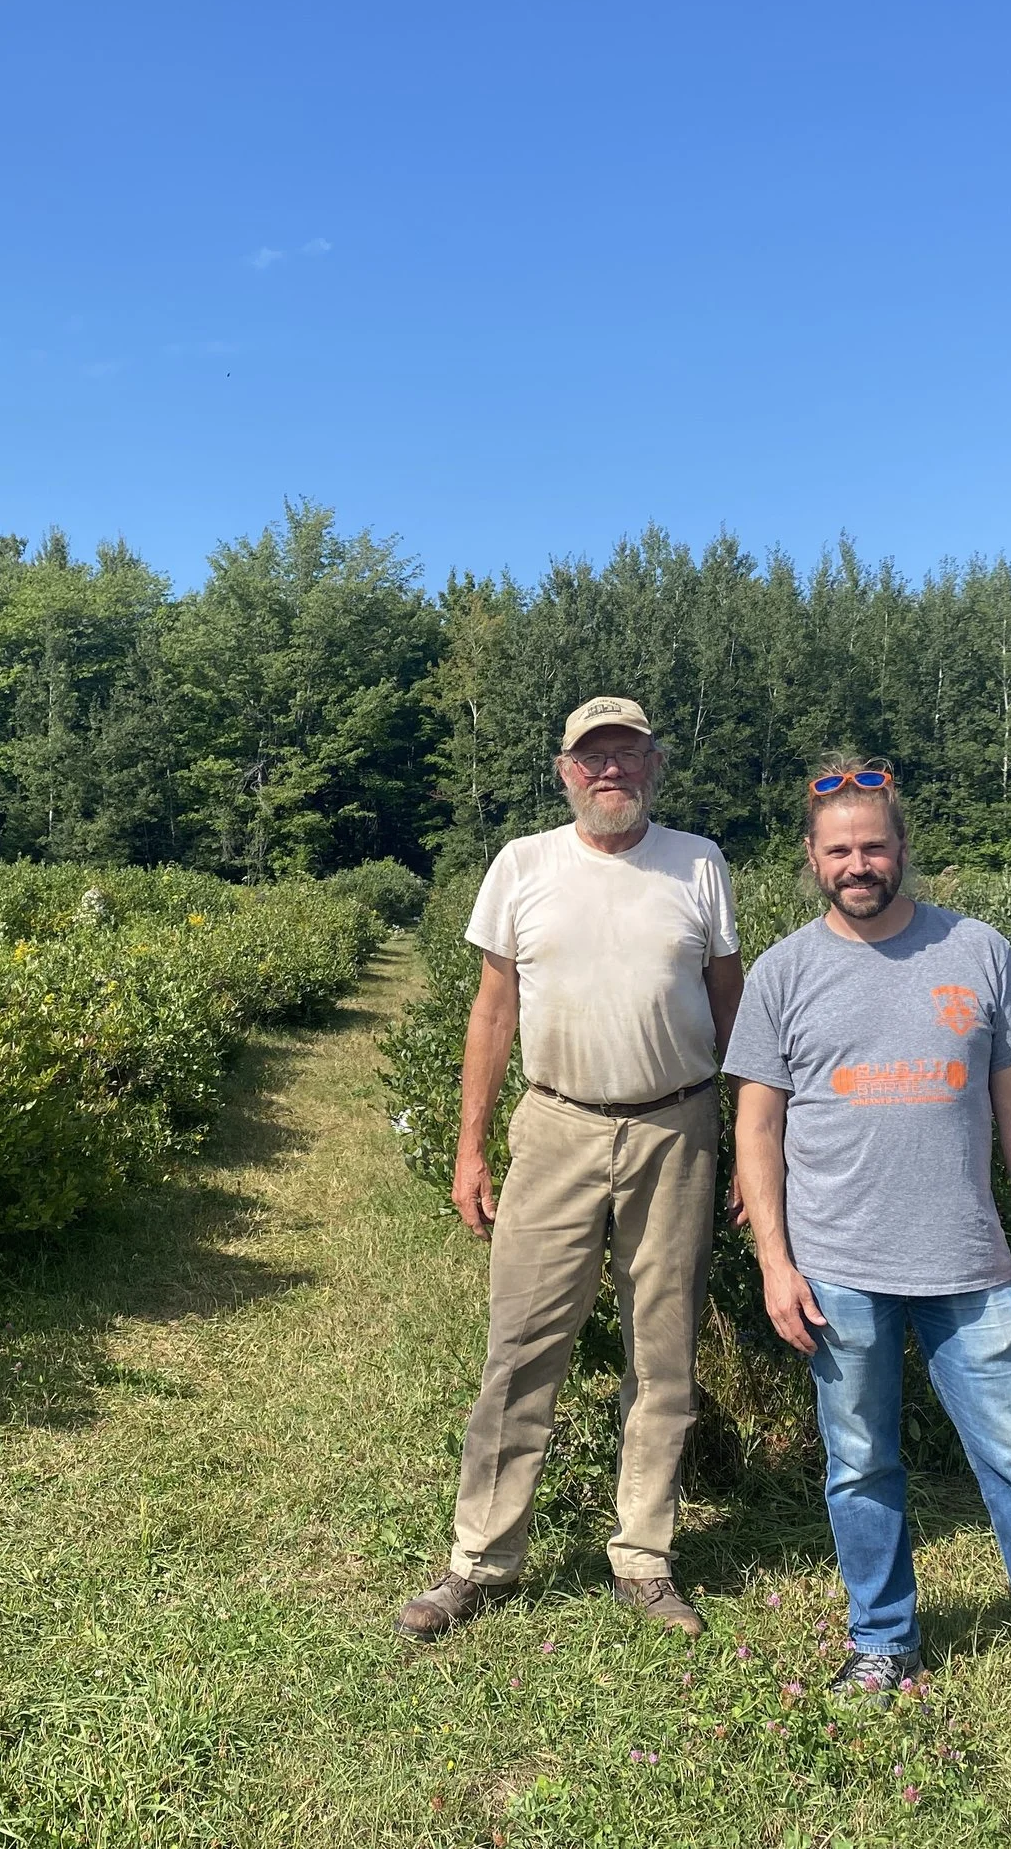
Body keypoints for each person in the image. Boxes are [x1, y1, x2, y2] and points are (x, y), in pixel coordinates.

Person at [724, 758, 1011, 1745]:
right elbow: (755, 1128)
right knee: (858, 1465)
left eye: (874, 845)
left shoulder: (978, 952)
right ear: (811, 859)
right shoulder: (780, 972)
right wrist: (774, 1260)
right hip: (837, 1268)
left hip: (970, 1267)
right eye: (838, 849)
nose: (859, 863)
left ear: (902, 850)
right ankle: (882, 1643)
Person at [395, 697, 745, 1642]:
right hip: (554, 1126)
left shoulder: (699, 862)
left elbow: (732, 1010)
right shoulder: (523, 864)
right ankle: (481, 1558)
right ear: (564, 771)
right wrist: (471, 1145)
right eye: (593, 756)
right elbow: (492, 1013)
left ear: (655, 764)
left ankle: (644, 1554)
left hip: (678, 1126)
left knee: (661, 1350)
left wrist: (752, 1142)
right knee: (521, 1345)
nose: (610, 771)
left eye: (627, 753)